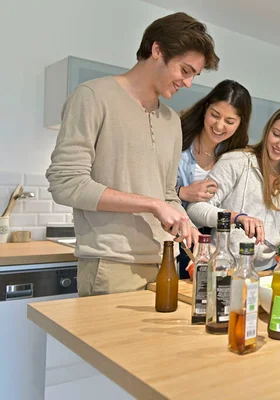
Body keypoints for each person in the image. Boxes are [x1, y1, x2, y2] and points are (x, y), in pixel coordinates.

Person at [45, 12, 220, 296]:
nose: (188, 83)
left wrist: (184, 223)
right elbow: (66, 183)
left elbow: (166, 194)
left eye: (194, 76)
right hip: (112, 266)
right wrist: (152, 204)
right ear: (157, 50)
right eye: (185, 71)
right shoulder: (92, 97)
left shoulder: (172, 120)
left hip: (166, 262)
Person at [187, 106, 280, 271]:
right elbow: (195, 209)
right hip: (224, 268)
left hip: (267, 271)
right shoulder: (236, 161)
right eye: (276, 134)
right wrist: (236, 218)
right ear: (267, 131)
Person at [176, 79, 252, 276]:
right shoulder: (176, 138)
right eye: (215, 115)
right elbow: (150, 186)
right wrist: (182, 192)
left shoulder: (235, 155)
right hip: (174, 234)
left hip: (212, 238)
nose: (219, 126)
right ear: (205, 108)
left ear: (240, 124)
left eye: (230, 121)